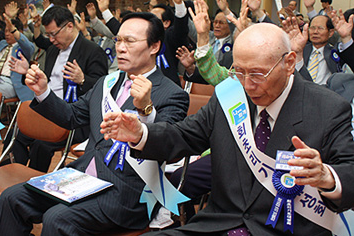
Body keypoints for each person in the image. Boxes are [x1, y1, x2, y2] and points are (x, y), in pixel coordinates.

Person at [102, 23, 354, 235]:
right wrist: (140, 134)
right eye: (239, 72)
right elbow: (184, 135)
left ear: (289, 63)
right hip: (219, 223)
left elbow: (350, 172)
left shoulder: (328, 108)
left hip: (286, 229)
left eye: (257, 74)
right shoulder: (231, 95)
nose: (247, 85)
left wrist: (327, 177)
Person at [0, 12, 189, 235]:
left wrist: (145, 109)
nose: (121, 48)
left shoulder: (172, 94)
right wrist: (43, 92)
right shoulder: (107, 83)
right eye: (118, 40)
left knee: (56, 219)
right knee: (12, 197)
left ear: (154, 47)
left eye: (130, 41)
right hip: (83, 177)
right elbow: (72, 116)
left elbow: (169, 148)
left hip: (127, 194)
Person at [13, 5, 108, 172]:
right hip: (49, 109)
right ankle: (13, 177)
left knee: (40, 143)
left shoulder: (93, 51)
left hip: (73, 117)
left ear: (69, 26)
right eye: (47, 34)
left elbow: (103, 90)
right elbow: (46, 81)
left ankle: (32, 185)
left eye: (53, 34)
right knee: (18, 136)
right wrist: (28, 70)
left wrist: (82, 79)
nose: (50, 39)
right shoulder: (52, 51)